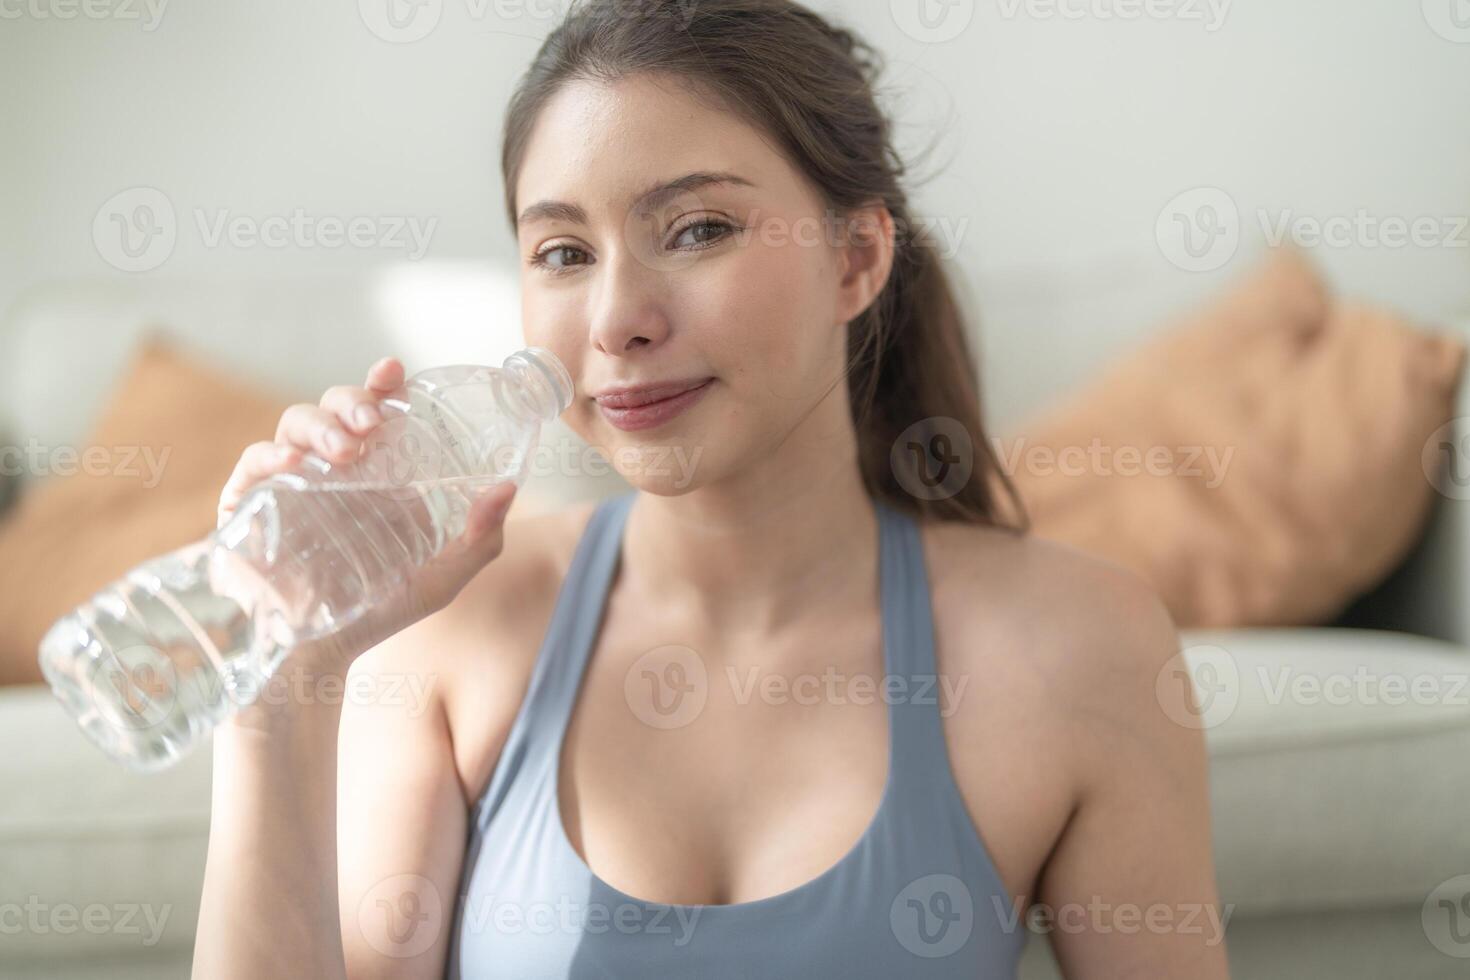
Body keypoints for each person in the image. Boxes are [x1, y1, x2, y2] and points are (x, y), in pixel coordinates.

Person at [193, 1, 1230, 977]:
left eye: (697, 229)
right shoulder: (453, 636)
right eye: (562, 251)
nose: (616, 320)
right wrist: (277, 685)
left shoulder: (1080, 646)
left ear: (857, 257)